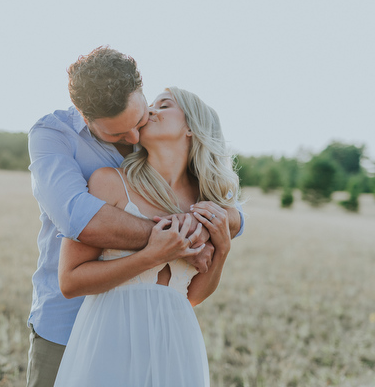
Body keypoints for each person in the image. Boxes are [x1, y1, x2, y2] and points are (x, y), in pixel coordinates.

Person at [26, 47, 244, 387]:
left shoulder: (198, 198)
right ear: (86, 118)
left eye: (141, 118)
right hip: (68, 325)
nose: (133, 139)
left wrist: (217, 238)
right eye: (116, 135)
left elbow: (231, 225)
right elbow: (79, 218)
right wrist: (176, 241)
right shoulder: (56, 139)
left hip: (168, 342)